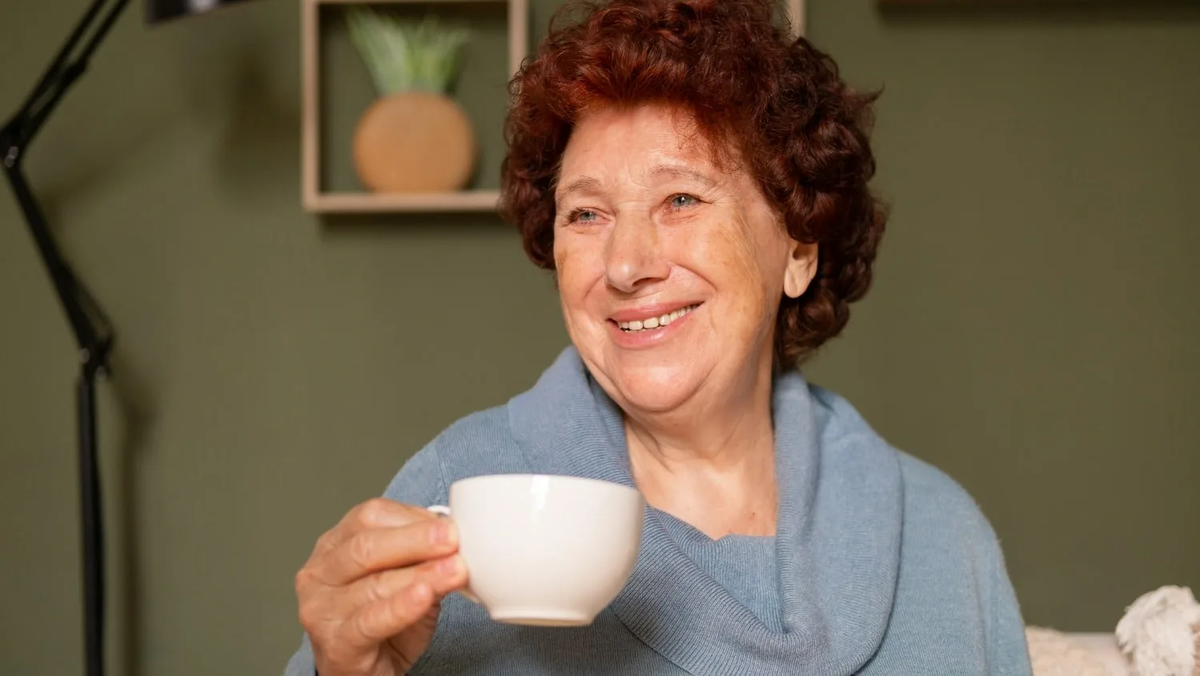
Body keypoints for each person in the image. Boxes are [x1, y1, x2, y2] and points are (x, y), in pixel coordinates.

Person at [284, 0, 1034, 673]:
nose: (625, 265)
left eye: (680, 199)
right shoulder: (455, 493)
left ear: (799, 251)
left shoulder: (941, 536)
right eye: (586, 214)